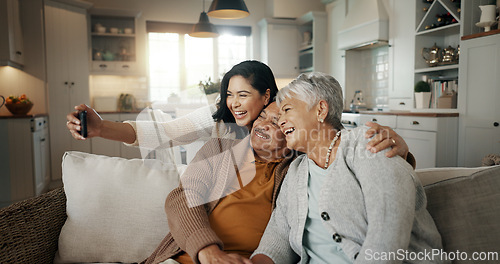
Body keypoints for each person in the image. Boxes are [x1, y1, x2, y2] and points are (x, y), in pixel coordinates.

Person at [143, 102, 415, 264]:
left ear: (292, 134)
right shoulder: (220, 148)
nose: (263, 124)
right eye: (262, 116)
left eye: (277, 123)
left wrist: (400, 151)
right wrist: (209, 252)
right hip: (189, 258)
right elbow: (182, 197)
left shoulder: (296, 168)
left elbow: (342, 153)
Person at [251, 73, 445, 264]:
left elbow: (386, 242)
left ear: (320, 110)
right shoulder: (296, 171)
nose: (281, 121)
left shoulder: (369, 145)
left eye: (286, 110)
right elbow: (277, 237)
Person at [66, 60, 410, 161]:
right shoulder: (221, 120)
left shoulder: (290, 121)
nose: (233, 103)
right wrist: (100, 128)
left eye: (242, 95)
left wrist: (400, 148)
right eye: (229, 95)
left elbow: (332, 141)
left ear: (267, 95)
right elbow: (162, 133)